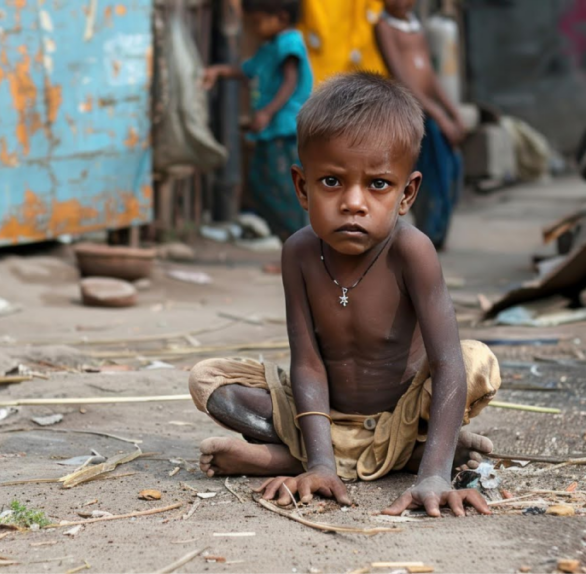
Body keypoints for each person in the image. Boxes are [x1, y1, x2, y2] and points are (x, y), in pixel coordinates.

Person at [188, 72, 501, 517]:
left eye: (378, 185)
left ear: (407, 193)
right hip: (324, 417)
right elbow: (308, 362)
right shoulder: (298, 253)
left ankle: (416, 454)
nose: (354, 202)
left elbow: (447, 362)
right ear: (302, 186)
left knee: (474, 361)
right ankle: (333, 460)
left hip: (403, 418)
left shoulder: (412, 252)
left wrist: (432, 475)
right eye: (332, 182)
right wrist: (319, 463)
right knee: (208, 379)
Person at [203, 0, 313, 239]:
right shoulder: (270, 46)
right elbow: (247, 69)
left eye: (257, 22)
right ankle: (290, 240)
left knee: (284, 187)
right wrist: (219, 71)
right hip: (272, 130)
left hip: (285, 129)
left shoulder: (289, 42)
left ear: (281, 17)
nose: (254, 28)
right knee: (261, 183)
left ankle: (299, 241)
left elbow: (290, 81)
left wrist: (267, 112)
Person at [375, 0, 464, 248]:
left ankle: (439, 234)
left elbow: (430, 76)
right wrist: (439, 115)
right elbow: (402, 79)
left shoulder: (416, 27)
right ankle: (427, 235)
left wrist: (453, 112)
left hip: (433, 113)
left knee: (450, 172)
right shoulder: (384, 27)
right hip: (416, 115)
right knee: (427, 177)